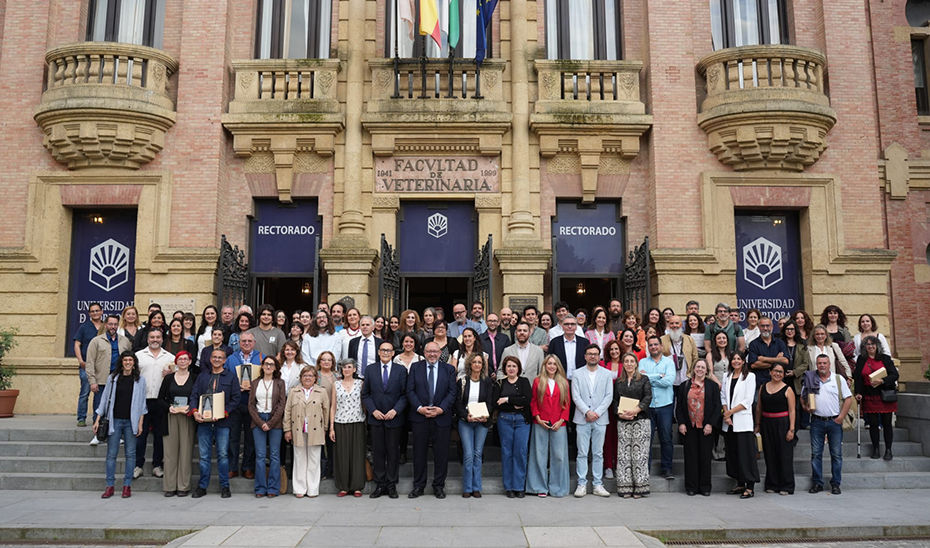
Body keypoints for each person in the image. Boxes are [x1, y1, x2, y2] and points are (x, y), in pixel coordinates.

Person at [407, 341, 458, 499]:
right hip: (420, 417)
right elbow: (410, 390)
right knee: (419, 453)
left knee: (441, 454)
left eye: (435, 351)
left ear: (440, 353)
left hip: (441, 417)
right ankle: (418, 486)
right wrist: (419, 408)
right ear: (424, 352)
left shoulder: (448, 369)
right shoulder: (415, 368)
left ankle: (438, 486)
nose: (432, 354)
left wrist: (441, 409)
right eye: (429, 351)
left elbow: (452, 392)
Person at [190, 348, 243, 498]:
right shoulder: (202, 376)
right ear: (210, 359)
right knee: (204, 456)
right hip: (203, 422)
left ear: (225, 360)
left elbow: (236, 399)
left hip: (223, 422)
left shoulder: (231, 377)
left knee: (223, 454)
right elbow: (194, 395)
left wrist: (224, 412)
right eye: (215, 357)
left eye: (220, 357)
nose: (217, 359)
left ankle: (225, 486)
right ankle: (202, 486)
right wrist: (195, 411)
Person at [94, 351, 147, 499]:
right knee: (111, 454)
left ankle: (127, 486)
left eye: (130, 360)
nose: (128, 362)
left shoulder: (140, 380)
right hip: (115, 421)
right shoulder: (113, 378)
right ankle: (110, 486)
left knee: (131, 455)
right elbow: (104, 400)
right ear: (121, 362)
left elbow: (143, 404)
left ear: (134, 362)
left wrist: (140, 423)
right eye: (125, 360)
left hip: (131, 422)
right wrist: (98, 419)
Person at [801, 354, 854, 495]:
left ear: (829, 364)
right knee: (816, 454)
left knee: (836, 454)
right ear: (816, 365)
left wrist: (841, 417)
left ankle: (836, 483)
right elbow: (802, 398)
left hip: (834, 421)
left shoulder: (838, 379)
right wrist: (806, 408)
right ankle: (817, 483)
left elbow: (849, 399)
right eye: (819, 363)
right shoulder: (810, 378)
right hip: (817, 421)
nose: (822, 365)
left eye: (825, 363)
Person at [363, 340, 409, 499]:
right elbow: (365, 394)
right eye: (383, 350)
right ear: (378, 352)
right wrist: (373, 410)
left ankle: (391, 485)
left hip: (394, 418)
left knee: (392, 452)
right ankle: (380, 484)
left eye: (388, 350)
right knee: (378, 452)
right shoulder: (370, 370)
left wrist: (395, 411)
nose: (385, 353)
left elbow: (405, 395)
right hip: (376, 418)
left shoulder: (401, 370)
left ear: (393, 353)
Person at [570, 344, 614, 498]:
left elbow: (609, 396)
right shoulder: (577, 374)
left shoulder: (607, 374)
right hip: (582, 418)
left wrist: (597, 413)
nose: (592, 356)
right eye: (589, 354)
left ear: (599, 356)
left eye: (595, 354)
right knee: (582, 453)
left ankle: (597, 483)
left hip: (600, 419)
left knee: (598, 453)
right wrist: (587, 412)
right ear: (585, 356)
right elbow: (575, 396)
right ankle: (582, 483)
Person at [527, 355, 571, 498]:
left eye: (554, 364)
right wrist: (538, 417)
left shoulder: (564, 382)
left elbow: (567, 403)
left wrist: (561, 420)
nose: (552, 366)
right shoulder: (538, 381)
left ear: (558, 366)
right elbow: (533, 401)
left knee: (559, 456)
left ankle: (557, 488)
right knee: (539, 455)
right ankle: (539, 487)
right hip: (540, 422)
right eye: (549, 363)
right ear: (545, 365)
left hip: (559, 423)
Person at [283, 365, 330, 498]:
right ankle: (300, 488)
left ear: (315, 378)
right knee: (299, 458)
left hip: (316, 429)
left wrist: (325, 428)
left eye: (310, 375)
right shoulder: (294, 391)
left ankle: (313, 489)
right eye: (305, 375)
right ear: (301, 378)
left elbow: (326, 411)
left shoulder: (321, 391)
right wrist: (287, 429)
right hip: (298, 428)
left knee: (314, 459)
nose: (307, 378)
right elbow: (287, 411)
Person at [676, 359, 721, 497]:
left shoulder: (712, 386)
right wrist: (681, 423)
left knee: (705, 457)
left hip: (706, 427)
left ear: (707, 370)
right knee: (690, 457)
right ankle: (691, 487)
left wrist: (710, 424)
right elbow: (679, 407)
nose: (700, 369)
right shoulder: (685, 386)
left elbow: (717, 407)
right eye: (698, 367)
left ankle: (705, 487)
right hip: (689, 426)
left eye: (703, 367)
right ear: (693, 368)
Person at [134, 329, 174, 480]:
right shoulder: (138, 356)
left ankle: (157, 465)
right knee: (141, 434)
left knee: (159, 435)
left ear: (162, 339)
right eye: (152, 337)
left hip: (160, 401)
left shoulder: (170, 357)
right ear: (148, 339)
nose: (155, 339)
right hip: (142, 401)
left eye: (158, 337)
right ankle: (138, 465)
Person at [85, 314, 132, 442]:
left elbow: (130, 359)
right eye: (110, 324)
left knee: (117, 407)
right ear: (106, 325)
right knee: (100, 406)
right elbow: (90, 363)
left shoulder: (124, 341)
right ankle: (98, 434)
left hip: (120, 381)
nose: (113, 327)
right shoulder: (96, 341)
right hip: (101, 380)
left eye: (115, 324)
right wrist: (92, 381)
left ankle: (115, 434)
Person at [613, 351, 652, 498]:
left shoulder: (644, 379)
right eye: (626, 361)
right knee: (624, 455)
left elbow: (648, 396)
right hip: (623, 421)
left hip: (640, 420)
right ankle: (625, 487)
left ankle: (640, 488)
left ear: (636, 363)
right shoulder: (619, 381)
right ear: (623, 364)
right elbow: (615, 400)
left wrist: (636, 410)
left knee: (639, 455)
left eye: (632, 361)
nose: (629, 364)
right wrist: (619, 413)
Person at [455, 353, 494, 498]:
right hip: (466, 421)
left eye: (480, 362)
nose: (477, 364)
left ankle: (476, 487)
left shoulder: (487, 381)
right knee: (468, 454)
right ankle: (467, 487)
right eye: (474, 362)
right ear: (469, 364)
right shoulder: (463, 381)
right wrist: (466, 416)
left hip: (482, 422)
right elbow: (457, 404)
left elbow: (490, 402)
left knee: (478, 453)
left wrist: (486, 416)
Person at [157, 351, 196, 497]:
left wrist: (191, 407)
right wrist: (169, 407)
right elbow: (160, 399)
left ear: (190, 362)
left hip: (187, 417)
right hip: (171, 417)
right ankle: (170, 486)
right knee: (170, 452)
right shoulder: (168, 379)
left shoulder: (194, 378)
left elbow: (197, 396)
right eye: (180, 359)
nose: (183, 361)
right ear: (176, 362)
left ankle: (183, 486)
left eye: (186, 359)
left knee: (185, 452)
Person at [494, 355, 533, 498]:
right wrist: (515, 402)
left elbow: (527, 399)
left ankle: (519, 486)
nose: (511, 368)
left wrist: (507, 399)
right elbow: (496, 402)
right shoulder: (500, 383)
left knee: (521, 453)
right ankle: (509, 487)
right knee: (507, 453)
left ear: (518, 368)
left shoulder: (524, 381)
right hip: (505, 420)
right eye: (509, 366)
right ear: (505, 368)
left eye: (514, 366)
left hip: (522, 421)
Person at [854, 336, 899, 460]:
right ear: (864, 347)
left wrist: (882, 381)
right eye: (867, 344)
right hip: (869, 395)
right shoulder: (861, 359)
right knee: (873, 424)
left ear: (877, 345)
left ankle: (888, 450)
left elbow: (895, 374)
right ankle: (876, 449)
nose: (870, 346)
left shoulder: (885, 358)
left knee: (886, 423)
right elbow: (858, 378)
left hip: (885, 394)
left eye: (873, 344)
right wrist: (857, 392)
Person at [754, 363, 796, 495]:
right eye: (775, 371)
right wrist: (758, 424)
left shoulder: (788, 389)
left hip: (783, 423)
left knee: (784, 455)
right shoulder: (763, 387)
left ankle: (787, 485)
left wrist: (791, 429)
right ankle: (772, 484)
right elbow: (759, 407)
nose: (778, 374)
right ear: (770, 372)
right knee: (770, 454)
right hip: (767, 423)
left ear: (784, 374)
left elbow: (792, 411)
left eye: (781, 372)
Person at [224, 331, 262, 480]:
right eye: (243, 341)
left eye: (249, 341)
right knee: (233, 437)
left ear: (254, 343)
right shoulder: (231, 359)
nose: (246, 343)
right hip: (235, 402)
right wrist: (235, 388)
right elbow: (225, 378)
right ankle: (232, 467)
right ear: (239, 343)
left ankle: (247, 467)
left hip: (253, 403)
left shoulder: (260, 357)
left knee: (250, 437)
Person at [722, 352, 759, 499]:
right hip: (729, 422)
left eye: (739, 359)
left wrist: (730, 412)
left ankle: (750, 486)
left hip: (742, 420)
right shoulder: (726, 376)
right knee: (734, 454)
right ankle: (739, 483)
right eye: (734, 359)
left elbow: (748, 400)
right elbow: (723, 396)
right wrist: (726, 414)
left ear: (743, 361)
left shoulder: (750, 377)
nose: (736, 361)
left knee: (746, 454)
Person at [249, 355, 286, 498]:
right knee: (260, 455)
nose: (269, 366)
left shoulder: (280, 383)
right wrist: (260, 422)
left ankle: (273, 488)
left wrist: (270, 423)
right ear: (262, 366)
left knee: (275, 455)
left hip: (274, 421)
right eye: (266, 364)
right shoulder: (255, 383)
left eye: (271, 364)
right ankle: (259, 488)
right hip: (258, 419)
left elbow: (282, 404)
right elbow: (251, 405)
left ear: (275, 367)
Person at [639, 335, 675, 480]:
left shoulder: (669, 362)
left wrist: (650, 378)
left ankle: (667, 468)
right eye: (650, 345)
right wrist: (659, 376)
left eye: (655, 344)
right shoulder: (642, 362)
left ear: (661, 346)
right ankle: (645, 469)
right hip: (648, 406)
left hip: (665, 405)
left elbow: (669, 381)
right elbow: (641, 380)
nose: (653, 347)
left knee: (666, 438)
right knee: (646, 438)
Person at [329, 359, 367, 497]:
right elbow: (333, 406)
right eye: (344, 367)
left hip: (357, 421)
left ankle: (357, 486)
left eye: (349, 367)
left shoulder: (360, 383)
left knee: (357, 454)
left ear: (355, 369)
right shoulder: (336, 385)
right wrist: (332, 427)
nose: (346, 369)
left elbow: (364, 403)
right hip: (340, 422)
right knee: (342, 455)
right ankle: (343, 486)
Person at [75, 302, 104, 427]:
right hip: (86, 366)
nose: (95, 313)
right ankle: (81, 417)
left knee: (99, 394)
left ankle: (96, 419)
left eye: (97, 310)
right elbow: (77, 344)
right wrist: (81, 361)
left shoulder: (106, 327)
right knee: (85, 392)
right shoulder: (84, 327)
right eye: (92, 311)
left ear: (102, 312)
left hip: (101, 367)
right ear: (89, 314)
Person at [661, 315, 699, 408]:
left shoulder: (690, 339)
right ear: (669, 325)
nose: (674, 325)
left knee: (685, 406)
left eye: (677, 323)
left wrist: (692, 374)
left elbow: (695, 358)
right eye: (672, 323)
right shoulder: (662, 340)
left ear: (681, 324)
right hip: (669, 380)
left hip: (686, 378)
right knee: (670, 405)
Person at [599, 340, 623, 478]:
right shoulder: (603, 365)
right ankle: (608, 465)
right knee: (607, 436)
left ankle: (619, 464)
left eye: (616, 349)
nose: (614, 352)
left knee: (619, 435)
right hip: (606, 405)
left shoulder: (624, 364)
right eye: (611, 349)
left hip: (621, 404)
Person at [782, 320, 811, 430]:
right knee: (786, 404)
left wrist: (795, 372)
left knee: (799, 404)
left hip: (798, 378)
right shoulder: (780, 343)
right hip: (783, 378)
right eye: (787, 329)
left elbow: (805, 363)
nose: (790, 331)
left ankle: (801, 424)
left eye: (792, 329)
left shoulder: (802, 345)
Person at [748, 317, 789, 393]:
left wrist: (763, 359)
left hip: (779, 384)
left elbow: (785, 361)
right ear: (758, 327)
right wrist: (777, 361)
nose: (765, 328)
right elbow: (754, 365)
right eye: (762, 326)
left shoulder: (779, 342)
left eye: (768, 326)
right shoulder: (753, 344)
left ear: (772, 327)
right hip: (759, 385)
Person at [315, 350, 338, 480]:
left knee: (333, 444)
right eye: (324, 359)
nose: (326, 362)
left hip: (335, 414)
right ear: (319, 362)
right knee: (320, 444)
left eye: (329, 360)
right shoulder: (315, 376)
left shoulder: (338, 376)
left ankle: (333, 470)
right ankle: (322, 471)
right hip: (319, 415)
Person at [548, 314, 588, 380]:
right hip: (559, 380)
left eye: (572, 324)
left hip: (580, 379)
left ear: (576, 327)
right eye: (566, 324)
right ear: (562, 327)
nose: (569, 326)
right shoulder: (554, 342)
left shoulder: (584, 342)